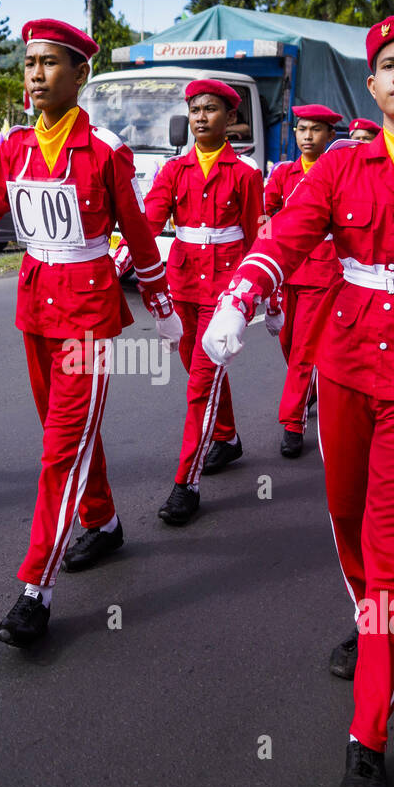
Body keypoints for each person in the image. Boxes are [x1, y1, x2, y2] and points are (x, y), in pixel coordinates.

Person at [200, 14, 394, 787]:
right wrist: (244, 291)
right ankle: (374, 620)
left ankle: (368, 735)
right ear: (371, 87)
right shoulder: (338, 166)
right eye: (391, 66)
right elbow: (289, 236)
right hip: (345, 359)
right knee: (345, 515)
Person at [0, 18, 180, 647]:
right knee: (60, 433)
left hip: (89, 310)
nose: (36, 74)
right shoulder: (13, 146)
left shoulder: (105, 150)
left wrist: (159, 299)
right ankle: (103, 520)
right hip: (36, 305)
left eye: (49, 63)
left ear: (81, 74)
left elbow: (139, 231)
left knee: (58, 449)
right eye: (29, 64)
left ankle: (34, 590)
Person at [141, 79, 264, 525]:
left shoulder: (247, 172)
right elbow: (148, 222)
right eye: (193, 109)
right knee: (198, 367)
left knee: (200, 384)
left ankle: (186, 483)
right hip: (184, 282)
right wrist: (115, 256)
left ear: (230, 118)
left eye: (210, 109)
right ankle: (227, 438)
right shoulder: (173, 170)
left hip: (227, 287)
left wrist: (267, 297)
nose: (199, 116)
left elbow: (258, 238)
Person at [263, 104, 343, 458]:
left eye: (315, 130)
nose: (307, 136)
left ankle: (293, 423)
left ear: (330, 136)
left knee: (302, 350)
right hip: (287, 270)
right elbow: (268, 215)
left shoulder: (338, 171)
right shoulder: (283, 173)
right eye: (301, 129)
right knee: (287, 340)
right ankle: (309, 390)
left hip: (323, 272)